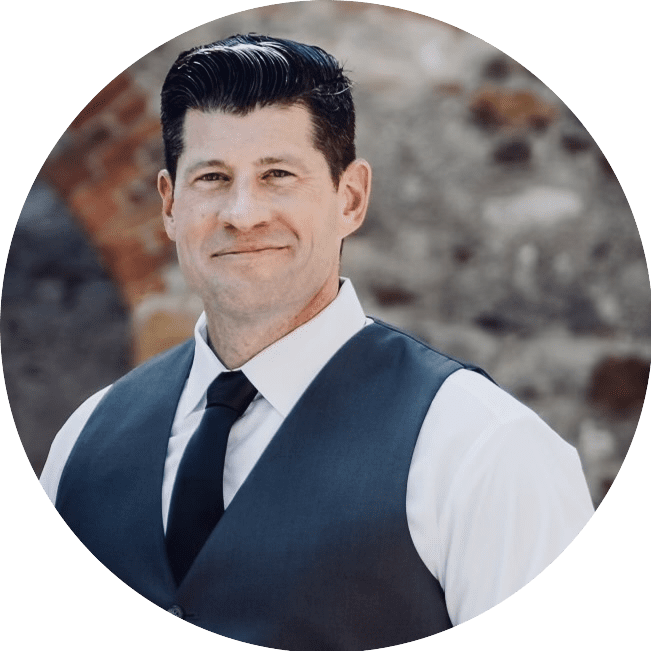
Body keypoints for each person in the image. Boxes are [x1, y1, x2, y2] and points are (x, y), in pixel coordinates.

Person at [40, 34, 594, 650]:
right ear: (170, 205)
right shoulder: (81, 444)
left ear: (350, 198)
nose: (242, 213)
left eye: (277, 175)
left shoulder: (484, 449)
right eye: (213, 177)